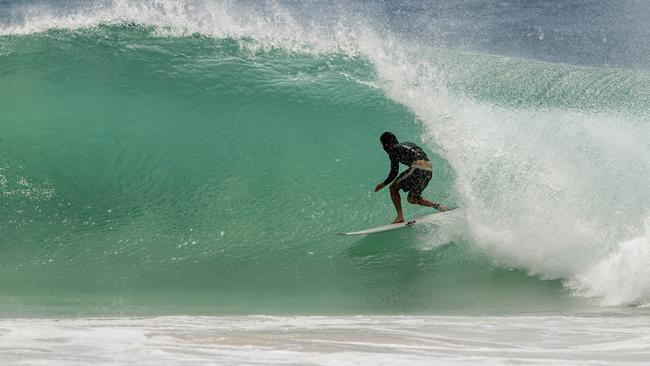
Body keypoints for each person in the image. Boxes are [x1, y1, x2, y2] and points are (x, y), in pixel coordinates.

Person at [374, 131, 449, 224]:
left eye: (383, 145)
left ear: (386, 143)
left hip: (418, 167)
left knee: (393, 188)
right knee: (412, 198)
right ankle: (439, 206)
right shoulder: (409, 143)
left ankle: (399, 217)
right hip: (429, 170)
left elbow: (394, 172)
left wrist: (383, 184)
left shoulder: (393, 150)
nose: (383, 148)